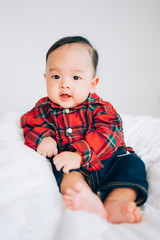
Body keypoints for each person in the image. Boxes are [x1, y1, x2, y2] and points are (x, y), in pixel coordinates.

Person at [20, 36, 148, 224]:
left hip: (110, 161)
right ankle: (85, 197)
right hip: (75, 168)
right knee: (66, 175)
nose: (64, 84)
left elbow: (110, 134)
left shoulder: (100, 108)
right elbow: (30, 123)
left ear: (92, 83)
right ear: (46, 78)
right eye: (56, 76)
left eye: (76, 77)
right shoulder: (43, 108)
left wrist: (80, 154)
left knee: (133, 166)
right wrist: (44, 138)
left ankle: (117, 202)